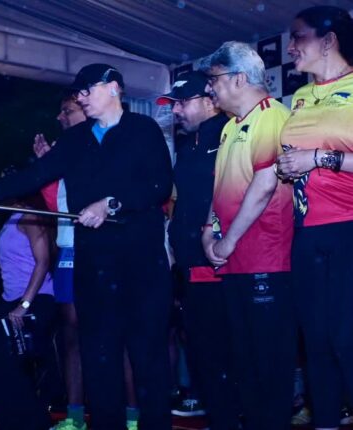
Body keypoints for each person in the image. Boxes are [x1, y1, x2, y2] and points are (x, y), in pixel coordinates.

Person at [0, 63, 174, 430]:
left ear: (114, 88)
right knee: (99, 358)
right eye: (78, 93)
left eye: (87, 90)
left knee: (147, 356)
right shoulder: (75, 139)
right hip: (94, 266)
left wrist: (110, 204)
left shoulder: (143, 129)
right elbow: (30, 177)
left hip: (142, 266)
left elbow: (159, 185)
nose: (81, 98)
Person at [200, 41, 295, 429]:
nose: (210, 89)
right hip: (233, 261)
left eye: (215, 80)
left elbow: (265, 184)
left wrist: (227, 240)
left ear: (239, 78)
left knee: (269, 364)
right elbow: (220, 190)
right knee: (245, 362)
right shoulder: (227, 128)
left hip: (266, 260)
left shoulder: (272, 116)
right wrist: (209, 234)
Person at [276, 6, 353, 430]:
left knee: (347, 339)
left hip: (348, 228)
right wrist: (290, 166)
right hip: (307, 232)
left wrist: (320, 158)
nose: (290, 47)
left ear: (328, 41)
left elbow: (319, 156)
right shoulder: (301, 96)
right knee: (316, 342)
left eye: (298, 37)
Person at [156, 71, 236, 428]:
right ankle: (219, 418)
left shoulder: (230, 133)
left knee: (224, 349)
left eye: (183, 103)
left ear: (210, 101)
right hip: (190, 263)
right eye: (173, 105)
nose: (176, 112)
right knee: (203, 348)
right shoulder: (188, 147)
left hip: (222, 260)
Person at [0, 197, 56, 430]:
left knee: (5, 362)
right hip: (10, 300)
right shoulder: (9, 218)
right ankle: (13, 422)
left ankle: (35, 423)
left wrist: (25, 304)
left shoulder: (30, 215)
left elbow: (43, 261)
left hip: (35, 298)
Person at [33, 94, 88, 430]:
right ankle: (76, 416)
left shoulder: (108, 143)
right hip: (69, 250)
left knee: (116, 334)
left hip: (105, 251)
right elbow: (59, 208)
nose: (60, 117)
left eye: (67, 111)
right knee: (71, 335)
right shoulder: (64, 150)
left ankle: (131, 417)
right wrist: (46, 168)